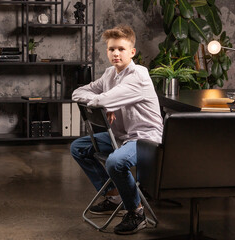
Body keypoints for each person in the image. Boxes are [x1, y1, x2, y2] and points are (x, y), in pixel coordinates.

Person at [70, 25, 163, 235]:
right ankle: (115, 197)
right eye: (111, 49)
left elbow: (100, 99)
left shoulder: (139, 75)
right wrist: (104, 104)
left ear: (132, 52)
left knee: (116, 161)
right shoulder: (110, 74)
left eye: (121, 49)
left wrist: (104, 102)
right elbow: (77, 92)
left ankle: (136, 212)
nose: (115, 53)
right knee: (79, 147)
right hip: (120, 136)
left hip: (146, 138)